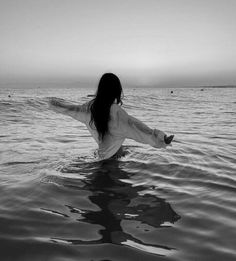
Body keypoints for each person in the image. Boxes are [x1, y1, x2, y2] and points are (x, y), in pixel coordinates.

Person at [49, 73, 174, 160]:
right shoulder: (117, 113)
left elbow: (72, 109)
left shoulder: (91, 107)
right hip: (113, 162)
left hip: (99, 158)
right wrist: (161, 138)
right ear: (116, 90)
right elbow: (135, 127)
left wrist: (53, 103)